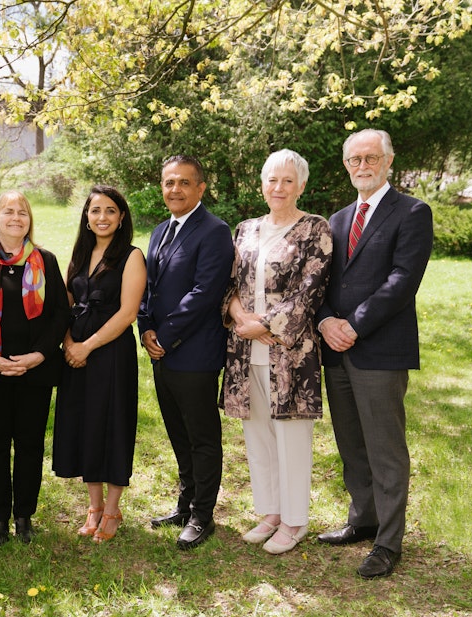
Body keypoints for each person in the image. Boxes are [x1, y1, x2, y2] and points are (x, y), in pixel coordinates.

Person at [316, 129, 434, 579]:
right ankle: (362, 520)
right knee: (351, 443)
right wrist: (327, 321)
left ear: (388, 161)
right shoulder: (338, 219)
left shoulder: (412, 212)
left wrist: (354, 325)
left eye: (371, 157)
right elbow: (322, 283)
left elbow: (402, 281)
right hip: (337, 350)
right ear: (346, 165)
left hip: (380, 349)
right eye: (353, 159)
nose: (362, 165)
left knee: (385, 448)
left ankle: (388, 541)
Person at [219, 150, 333, 555]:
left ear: (300, 185)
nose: (279, 188)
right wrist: (240, 318)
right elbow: (229, 282)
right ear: (261, 184)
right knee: (258, 434)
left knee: (291, 436)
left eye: (288, 181)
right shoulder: (246, 229)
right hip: (245, 349)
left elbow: (311, 290)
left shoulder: (314, 229)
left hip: (291, 352)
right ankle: (269, 512)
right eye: (272, 180)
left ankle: (295, 520)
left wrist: (265, 325)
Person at [0, 191, 69, 545]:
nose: (16, 217)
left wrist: (38, 355)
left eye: (22, 212)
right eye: (8, 211)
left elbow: (59, 315)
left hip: (34, 370)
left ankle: (24, 516)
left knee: (30, 444)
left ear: (29, 221)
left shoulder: (45, 261)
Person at [139, 155, 234, 550]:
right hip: (161, 350)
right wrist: (145, 327)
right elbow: (149, 285)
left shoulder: (214, 231)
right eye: (168, 182)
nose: (174, 189)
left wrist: (167, 335)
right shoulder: (161, 230)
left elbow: (205, 293)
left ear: (200, 188)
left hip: (193, 351)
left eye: (183, 182)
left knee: (201, 436)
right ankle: (185, 502)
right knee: (177, 432)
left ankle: (203, 515)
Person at [52, 185, 147, 543]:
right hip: (76, 354)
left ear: (121, 217)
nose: (102, 217)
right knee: (85, 426)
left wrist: (87, 346)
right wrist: (69, 344)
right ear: (86, 217)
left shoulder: (132, 256)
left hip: (110, 354)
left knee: (112, 425)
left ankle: (112, 508)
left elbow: (127, 313)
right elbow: (65, 303)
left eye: (110, 210)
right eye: (95, 210)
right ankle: (92, 507)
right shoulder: (79, 253)